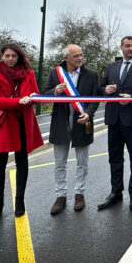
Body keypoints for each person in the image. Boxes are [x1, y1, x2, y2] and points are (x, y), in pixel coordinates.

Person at [0, 43, 44, 223]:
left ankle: (19, 202)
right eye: (7, 55)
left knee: (22, 161)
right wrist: (18, 102)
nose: (10, 59)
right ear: (1, 56)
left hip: (23, 121)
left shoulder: (28, 74)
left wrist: (31, 99)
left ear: (19, 57)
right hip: (2, 123)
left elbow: (35, 96)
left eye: (13, 56)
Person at [98, 36, 132, 212]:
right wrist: (105, 90)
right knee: (114, 158)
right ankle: (116, 193)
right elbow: (101, 88)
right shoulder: (112, 66)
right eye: (127, 46)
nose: (130, 48)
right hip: (114, 119)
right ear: (121, 47)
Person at [43, 45, 99, 215]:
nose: (80, 58)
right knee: (60, 164)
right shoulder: (55, 73)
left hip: (82, 122)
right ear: (66, 58)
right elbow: (44, 93)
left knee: (82, 162)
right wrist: (55, 91)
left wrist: (88, 114)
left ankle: (79, 194)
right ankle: (60, 196)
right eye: (76, 56)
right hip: (60, 123)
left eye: (81, 55)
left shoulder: (91, 75)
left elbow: (95, 99)